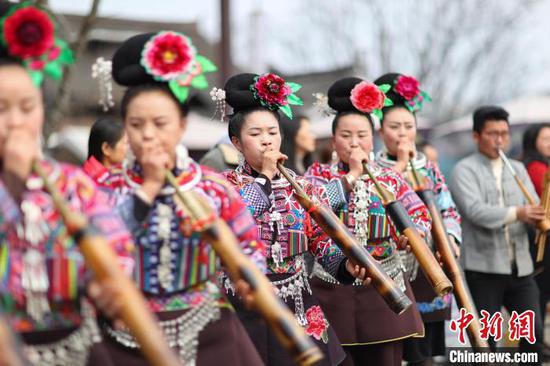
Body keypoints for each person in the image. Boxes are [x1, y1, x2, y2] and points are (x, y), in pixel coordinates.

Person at [106, 32, 266, 365]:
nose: (148, 134)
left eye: (160, 123)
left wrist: (251, 278)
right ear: (124, 128)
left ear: (180, 126)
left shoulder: (213, 186)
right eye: (136, 124)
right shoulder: (102, 190)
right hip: (127, 336)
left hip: (209, 327)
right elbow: (99, 248)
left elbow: (248, 245)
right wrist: (148, 188)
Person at [0, 2, 134, 365]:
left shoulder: (75, 185)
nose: (15, 123)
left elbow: (119, 249)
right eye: (1, 109)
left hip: (77, 348)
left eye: (27, 108)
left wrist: (106, 286)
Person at [221, 72, 371, 366]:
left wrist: (345, 264)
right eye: (255, 134)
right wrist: (264, 178)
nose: (266, 141)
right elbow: (235, 219)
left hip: (297, 300)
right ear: (237, 143)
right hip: (243, 304)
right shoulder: (222, 185)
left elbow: (318, 239)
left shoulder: (305, 187)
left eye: (273, 132)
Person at [305, 77, 429, 366]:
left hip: (384, 284)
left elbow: (419, 213)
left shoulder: (389, 177)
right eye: (346, 135)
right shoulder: (317, 175)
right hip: (331, 286)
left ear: (371, 138)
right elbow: (313, 210)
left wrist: (412, 235)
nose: (354, 142)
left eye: (361, 134)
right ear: (334, 140)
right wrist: (351, 177)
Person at [374, 73, 461, 366]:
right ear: (380, 129)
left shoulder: (429, 166)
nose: (402, 133)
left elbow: (448, 207)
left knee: (426, 352)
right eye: (394, 127)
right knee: (396, 345)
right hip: (392, 264)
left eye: (408, 126)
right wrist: (399, 167)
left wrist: (450, 237)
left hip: (429, 266)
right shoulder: (373, 167)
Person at [449, 106, 548, 357]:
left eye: (504, 133)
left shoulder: (518, 168)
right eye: (492, 133)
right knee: (486, 343)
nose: (500, 140)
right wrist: (520, 213)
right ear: (476, 136)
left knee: (533, 335)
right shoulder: (464, 170)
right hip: (483, 270)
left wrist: (537, 218)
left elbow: (533, 205)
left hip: (521, 268)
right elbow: (475, 211)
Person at [522, 123, 550, 342]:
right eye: (545, 139)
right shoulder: (535, 167)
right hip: (541, 241)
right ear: (533, 142)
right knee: (539, 295)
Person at [83, 118, 128, 189]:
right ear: (106, 148)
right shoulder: (93, 182)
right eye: (125, 143)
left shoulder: (116, 174)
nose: (128, 148)